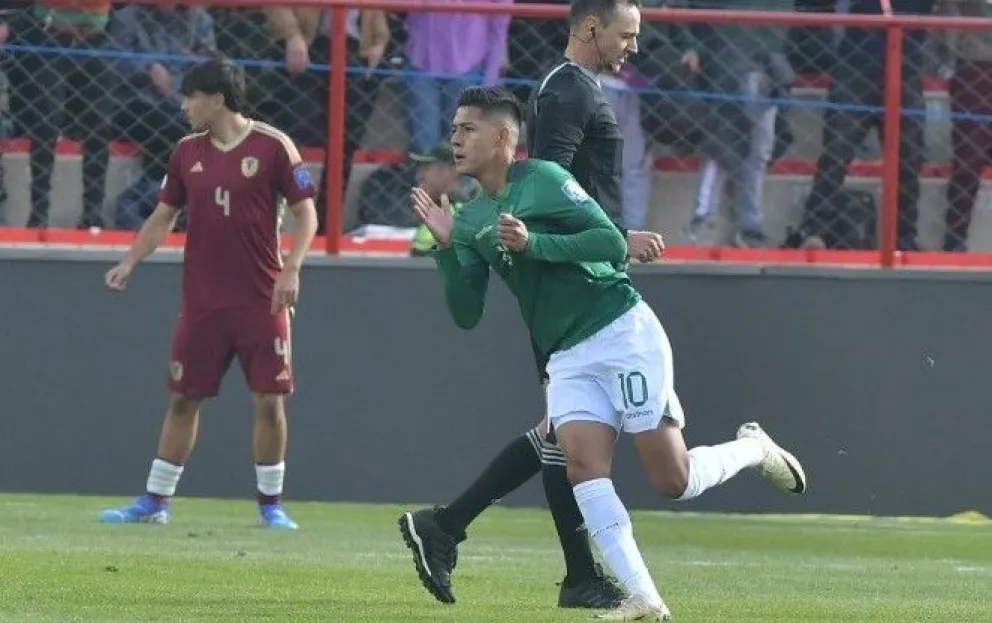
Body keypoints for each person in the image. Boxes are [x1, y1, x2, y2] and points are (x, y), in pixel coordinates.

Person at [409, 85, 808, 621]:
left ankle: (753, 449)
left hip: (619, 331)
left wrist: (536, 245)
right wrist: (444, 247)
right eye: (454, 130)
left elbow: (610, 243)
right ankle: (647, 600)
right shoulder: (473, 218)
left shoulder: (545, 181)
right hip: (565, 355)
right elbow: (466, 313)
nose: (455, 140)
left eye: (467, 129)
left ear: (504, 136)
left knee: (674, 480)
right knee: (582, 467)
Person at [398, 0, 664, 610]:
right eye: (627, 34)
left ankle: (466, 532)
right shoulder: (567, 94)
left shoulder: (572, 87)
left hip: (580, 268)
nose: (633, 46)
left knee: (561, 436)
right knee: (570, 439)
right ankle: (473, 534)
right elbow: (551, 184)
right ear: (592, 28)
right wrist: (606, 240)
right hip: (572, 278)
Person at [96, 59, 319, 528]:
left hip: (262, 296)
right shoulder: (185, 153)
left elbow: (307, 215)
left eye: (191, 96)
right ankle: (155, 502)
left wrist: (292, 269)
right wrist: (129, 261)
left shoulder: (274, 146)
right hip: (203, 301)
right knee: (183, 397)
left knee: (268, 399)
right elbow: (163, 216)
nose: (184, 105)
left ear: (216, 98)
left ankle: (270, 505)